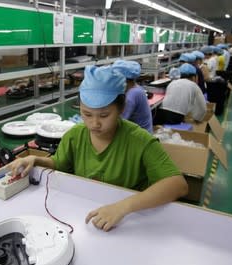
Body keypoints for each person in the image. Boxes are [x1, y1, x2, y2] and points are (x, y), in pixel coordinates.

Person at [10, 65, 188, 232]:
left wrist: (123, 207)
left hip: (128, 220)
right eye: (86, 114)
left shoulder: (139, 141)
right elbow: (59, 163)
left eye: (104, 115)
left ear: (121, 108)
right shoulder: (75, 135)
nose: (94, 123)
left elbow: (177, 185)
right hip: (85, 215)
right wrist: (36, 159)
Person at [112, 60, 153, 133]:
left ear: (123, 79)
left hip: (140, 139)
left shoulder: (132, 95)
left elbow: (118, 122)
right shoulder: (136, 88)